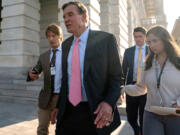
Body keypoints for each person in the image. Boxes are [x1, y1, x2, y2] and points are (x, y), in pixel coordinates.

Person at [50, 1, 124, 135]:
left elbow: (117, 78)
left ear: (84, 16)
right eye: (64, 16)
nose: (66, 19)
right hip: (68, 113)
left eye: (70, 15)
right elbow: (65, 81)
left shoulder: (106, 40)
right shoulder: (65, 46)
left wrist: (108, 103)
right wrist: (58, 106)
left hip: (95, 113)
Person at [124, 25, 180, 135]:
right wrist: (122, 89)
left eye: (155, 41)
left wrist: (179, 103)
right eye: (149, 42)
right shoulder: (147, 64)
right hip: (151, 113)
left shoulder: (178, 62)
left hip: (175, 113)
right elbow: (141, 88)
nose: (152, 45)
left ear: (165, 40)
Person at [27, 23, 63, 135]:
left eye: (54, 36)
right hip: (45, 98)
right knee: (41, 129)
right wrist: (31, 75)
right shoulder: (44, 56)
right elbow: (36, 71)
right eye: (49, 36)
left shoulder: (68, 53)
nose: (51, 39)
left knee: (63, 130)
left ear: (60, 36)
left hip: (62, 98)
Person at [121, 27, 148, 135]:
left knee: (143, 117)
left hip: (146, 89)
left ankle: (141, 132)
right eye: (135, 37)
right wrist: (121, 88)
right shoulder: (128, 51)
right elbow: (123, 71)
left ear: (145, 37)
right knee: (131, 117)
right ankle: (138, 132)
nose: (137, 39)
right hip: (131, 88)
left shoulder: (150, 50)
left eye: (140, 36)